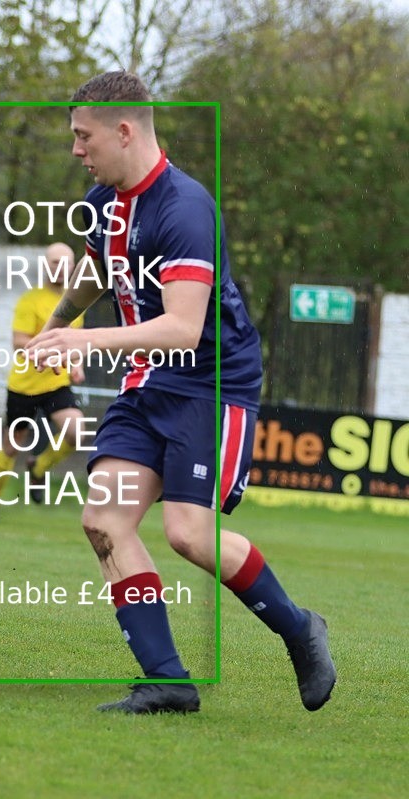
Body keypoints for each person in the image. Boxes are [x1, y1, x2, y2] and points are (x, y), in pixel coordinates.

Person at [25, 71, 336, 714]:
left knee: (189, 533)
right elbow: (94, 272)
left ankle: (299, 627)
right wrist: (56, 326)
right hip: (150, 374)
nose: (77, 149)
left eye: (84, 137)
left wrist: (84, 344)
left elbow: (184, 327)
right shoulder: (100, 204)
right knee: (103, 520)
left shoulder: (184, 208)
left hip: (209, 379)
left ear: (124, 130)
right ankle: (167, 679)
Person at [0, 242, 86, 523]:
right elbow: (19, 342)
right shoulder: (31, 300)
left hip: (56, 384)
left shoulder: (77, 302)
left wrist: (76, 365)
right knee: (12, 445)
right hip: (24, 386)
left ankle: (38, 468)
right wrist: (49, 354)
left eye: (66, 262)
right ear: (45, 265)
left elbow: (75, 342)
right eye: (54, 262)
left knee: (76, 431)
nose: (61, 267)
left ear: (74, 267)